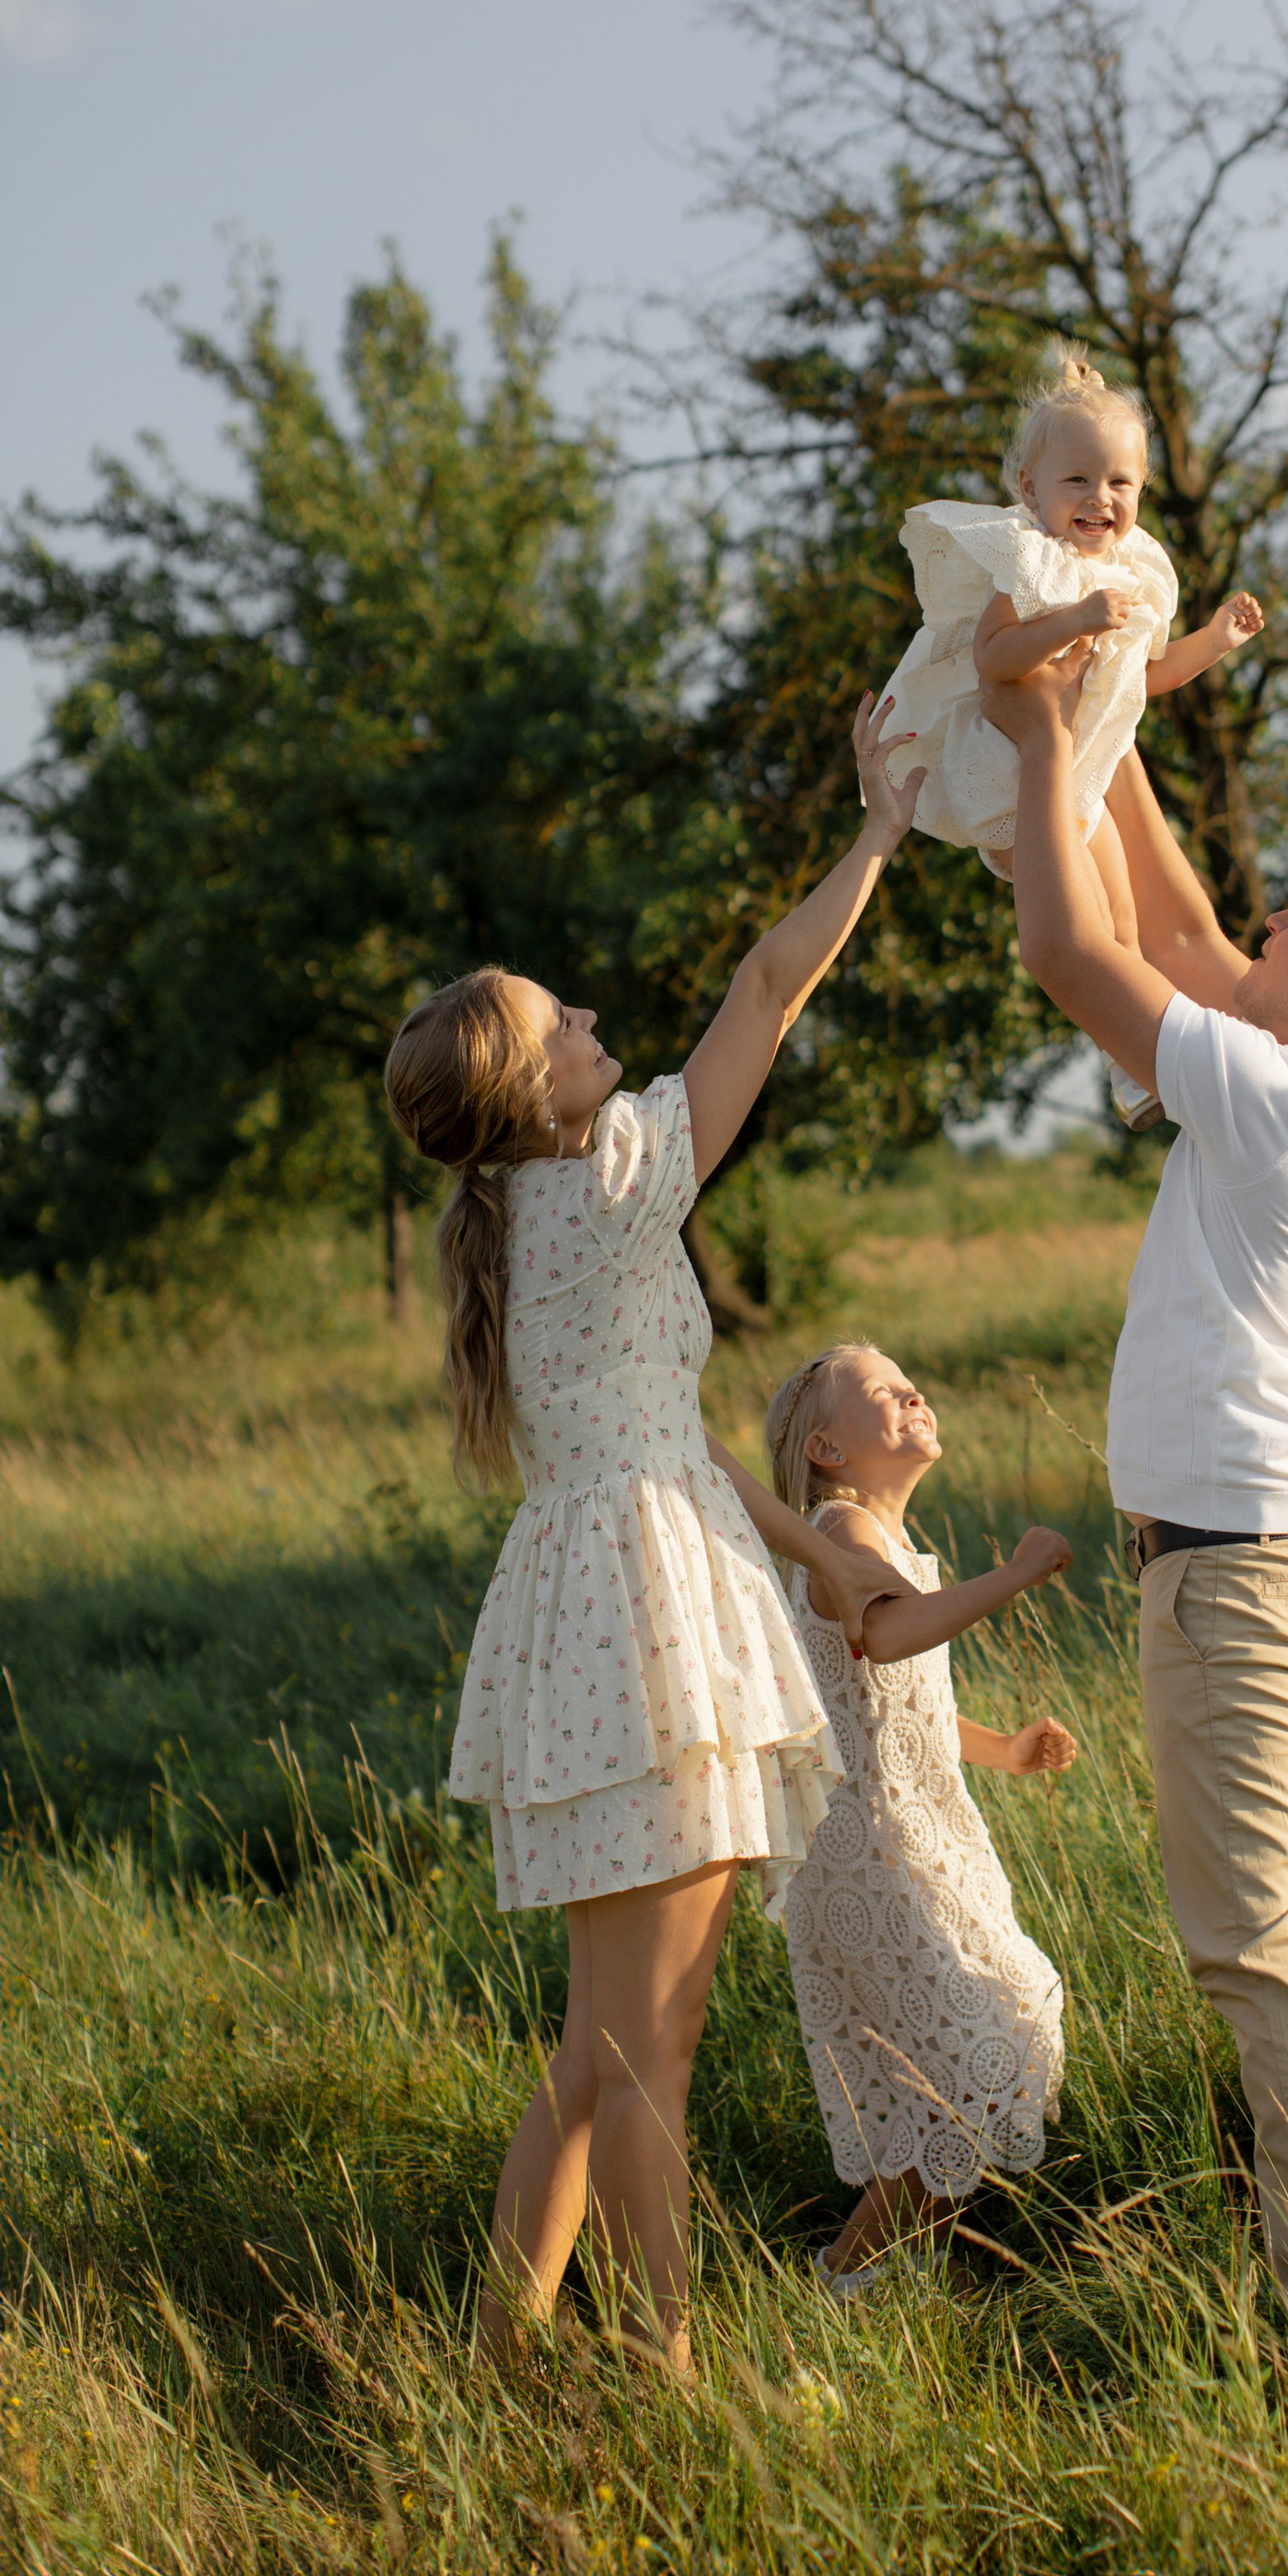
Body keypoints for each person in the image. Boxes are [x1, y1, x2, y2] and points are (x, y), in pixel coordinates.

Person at [381, 694, 923, 2379]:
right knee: (648, 2049)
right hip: (640, 1624)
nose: (598, 1017)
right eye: (565, 1021)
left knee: (601, 2045)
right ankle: (670, 2365)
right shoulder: (611, 1174)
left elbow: (659, 1442)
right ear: (534, 1093)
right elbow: (769, 987)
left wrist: (810, 1545)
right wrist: (879, 830)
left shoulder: (527, 1218)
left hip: (610, 1597)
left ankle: (504, 2348)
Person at [979, 656, 1288, 2335]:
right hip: (1287, 1560)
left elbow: (1076, 950)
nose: (1265, 910)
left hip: (1241, 1576)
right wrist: (1112, 720)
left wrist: (1042, 740)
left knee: (1257, 1951)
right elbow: (1185, 939)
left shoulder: (1284, 1101)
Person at [760, 1343, 1077, 2297]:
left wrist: (1006, 1749)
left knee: (965, 2060)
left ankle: (884, 2275)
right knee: (982, 2049)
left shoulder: (885, 1543)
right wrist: (1012, 1575)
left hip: (918, 1835)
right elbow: (890, 1633)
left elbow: (901, 1710)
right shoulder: (840, 1531)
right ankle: (845, 2279)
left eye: (911, 1381)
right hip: (873, 1852)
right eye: (878, 1390)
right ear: (825, 1446)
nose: (911, 1391)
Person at [876, 353, 1263, 1128]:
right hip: (1012, 783)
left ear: (1142, 492)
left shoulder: (1134, 576)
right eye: (1077, 480)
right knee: (1082, 926)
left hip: (1077, 784)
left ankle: (1134, 1066)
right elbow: (996, 659)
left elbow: (1141, 680)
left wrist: (1215, 641)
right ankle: (1132, 1057)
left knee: (1122, 925)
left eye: (1119, 482)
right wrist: (1077, 619)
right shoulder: (1031, 562)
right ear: (1030, 488)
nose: (1100, 498)